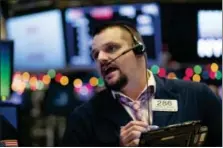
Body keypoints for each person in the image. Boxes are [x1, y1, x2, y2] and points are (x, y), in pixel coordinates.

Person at [61, 21, 222, 146]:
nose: (101, 58)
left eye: (111, 48)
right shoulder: (83, 119)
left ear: (139, 50)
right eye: (95, 54)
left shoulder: (196, 96)